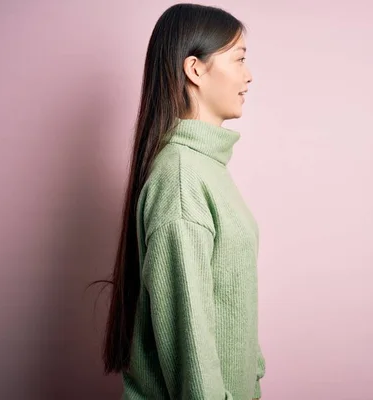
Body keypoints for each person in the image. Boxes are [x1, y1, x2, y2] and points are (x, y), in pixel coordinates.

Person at [97, 3, 265, 399]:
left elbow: (233, 318)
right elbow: (192, 345)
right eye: (239, 59)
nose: (249, 75)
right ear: (195, 69)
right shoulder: (181, 178)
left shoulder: (205, 169)